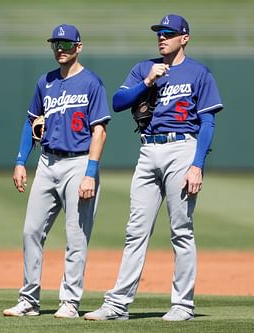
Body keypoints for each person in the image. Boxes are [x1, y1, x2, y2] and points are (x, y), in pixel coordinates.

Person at [84, 14, 223, 322]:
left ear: (184, 38)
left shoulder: (199, 72)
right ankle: (117, 305)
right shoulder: (143, 68)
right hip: (148, 150)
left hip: (182, 147)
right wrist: (147, 81)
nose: (162, 37)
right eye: (159, 32)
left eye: (169, 33)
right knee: (135, 230)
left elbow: (209, 121)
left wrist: (197, 165)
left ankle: (183, 306)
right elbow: (119, 102)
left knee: (181, 230)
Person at [3, 24, 111, 318]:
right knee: (31, 231)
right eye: (55, 44)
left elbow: (99, 131)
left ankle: (69, 302)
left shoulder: (91, 82)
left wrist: (90, 172)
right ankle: (29, 300)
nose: (59, 48)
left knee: (76, 236)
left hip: (79, 163)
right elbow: (31, 122)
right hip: (48, 163)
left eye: (65, 43)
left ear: (78, 46)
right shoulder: (45, 82)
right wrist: (20, 161)